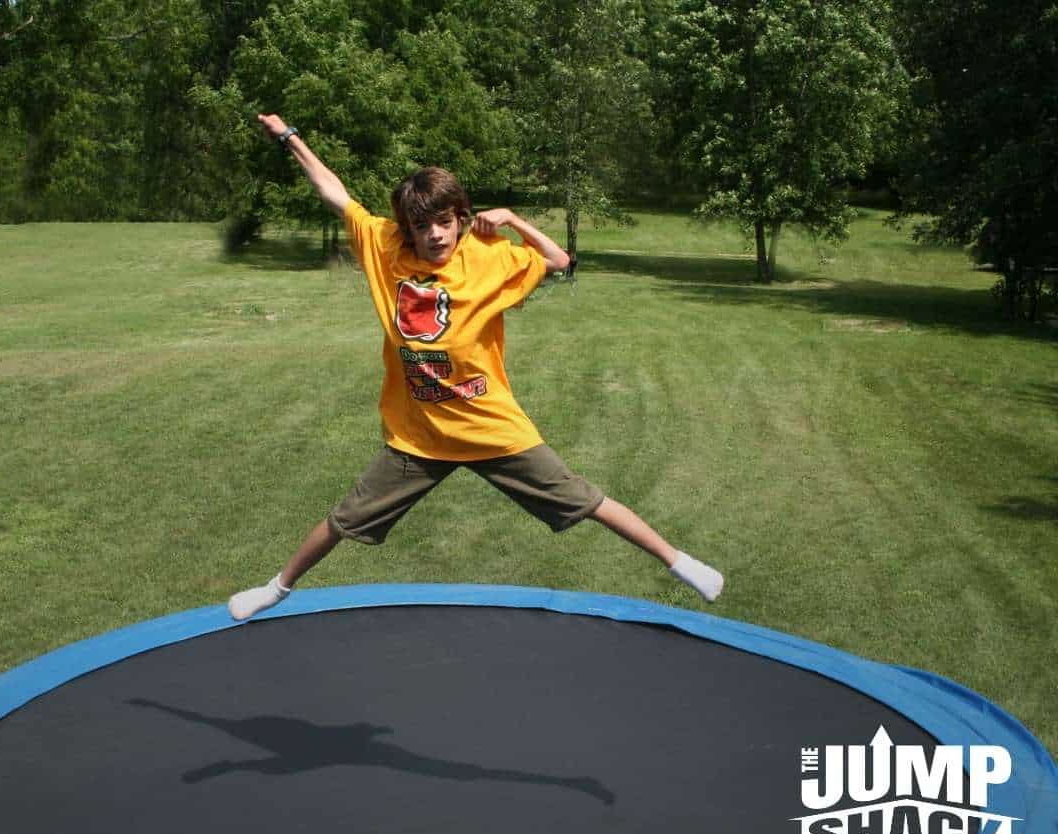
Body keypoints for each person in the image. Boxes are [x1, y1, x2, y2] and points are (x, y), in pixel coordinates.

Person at [228, 113, 723, 620]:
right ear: (407, 229)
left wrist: (511, 219)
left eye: (444, 222)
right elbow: (334, 192)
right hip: (419, 437)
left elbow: (558, 261)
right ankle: (278, 588)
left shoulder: (489, 258)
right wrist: (291, 139)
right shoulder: (384, 249)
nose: (435, 235)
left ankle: (679, 561)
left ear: (461, 218)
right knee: (344, 518)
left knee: (584, 499)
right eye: (421, 226)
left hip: (491, 428)